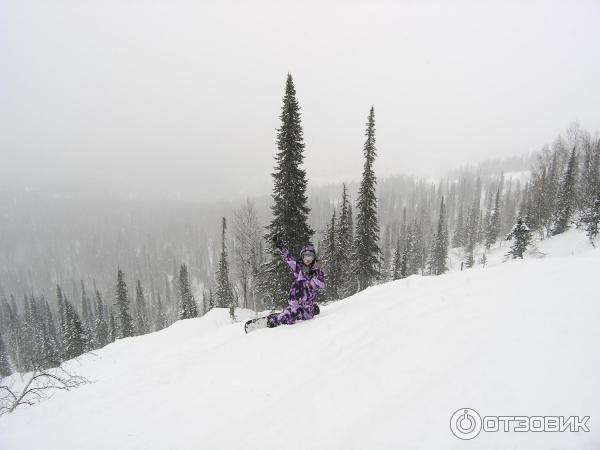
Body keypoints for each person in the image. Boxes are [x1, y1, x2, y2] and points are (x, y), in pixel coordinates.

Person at [266, 237, 326, 328]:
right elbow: (288, 259)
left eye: (310, 256)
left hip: (307, 307)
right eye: (306, 256)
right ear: (302, 257)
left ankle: (282, 317)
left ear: (314, 258)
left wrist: (314, 277)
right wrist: (281, 247)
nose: (308, 259)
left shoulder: (317, 272)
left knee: (302, 316)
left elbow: (322, 284)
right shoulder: (298, 268)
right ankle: (277, 319)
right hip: (295, 303)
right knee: (292, 314)